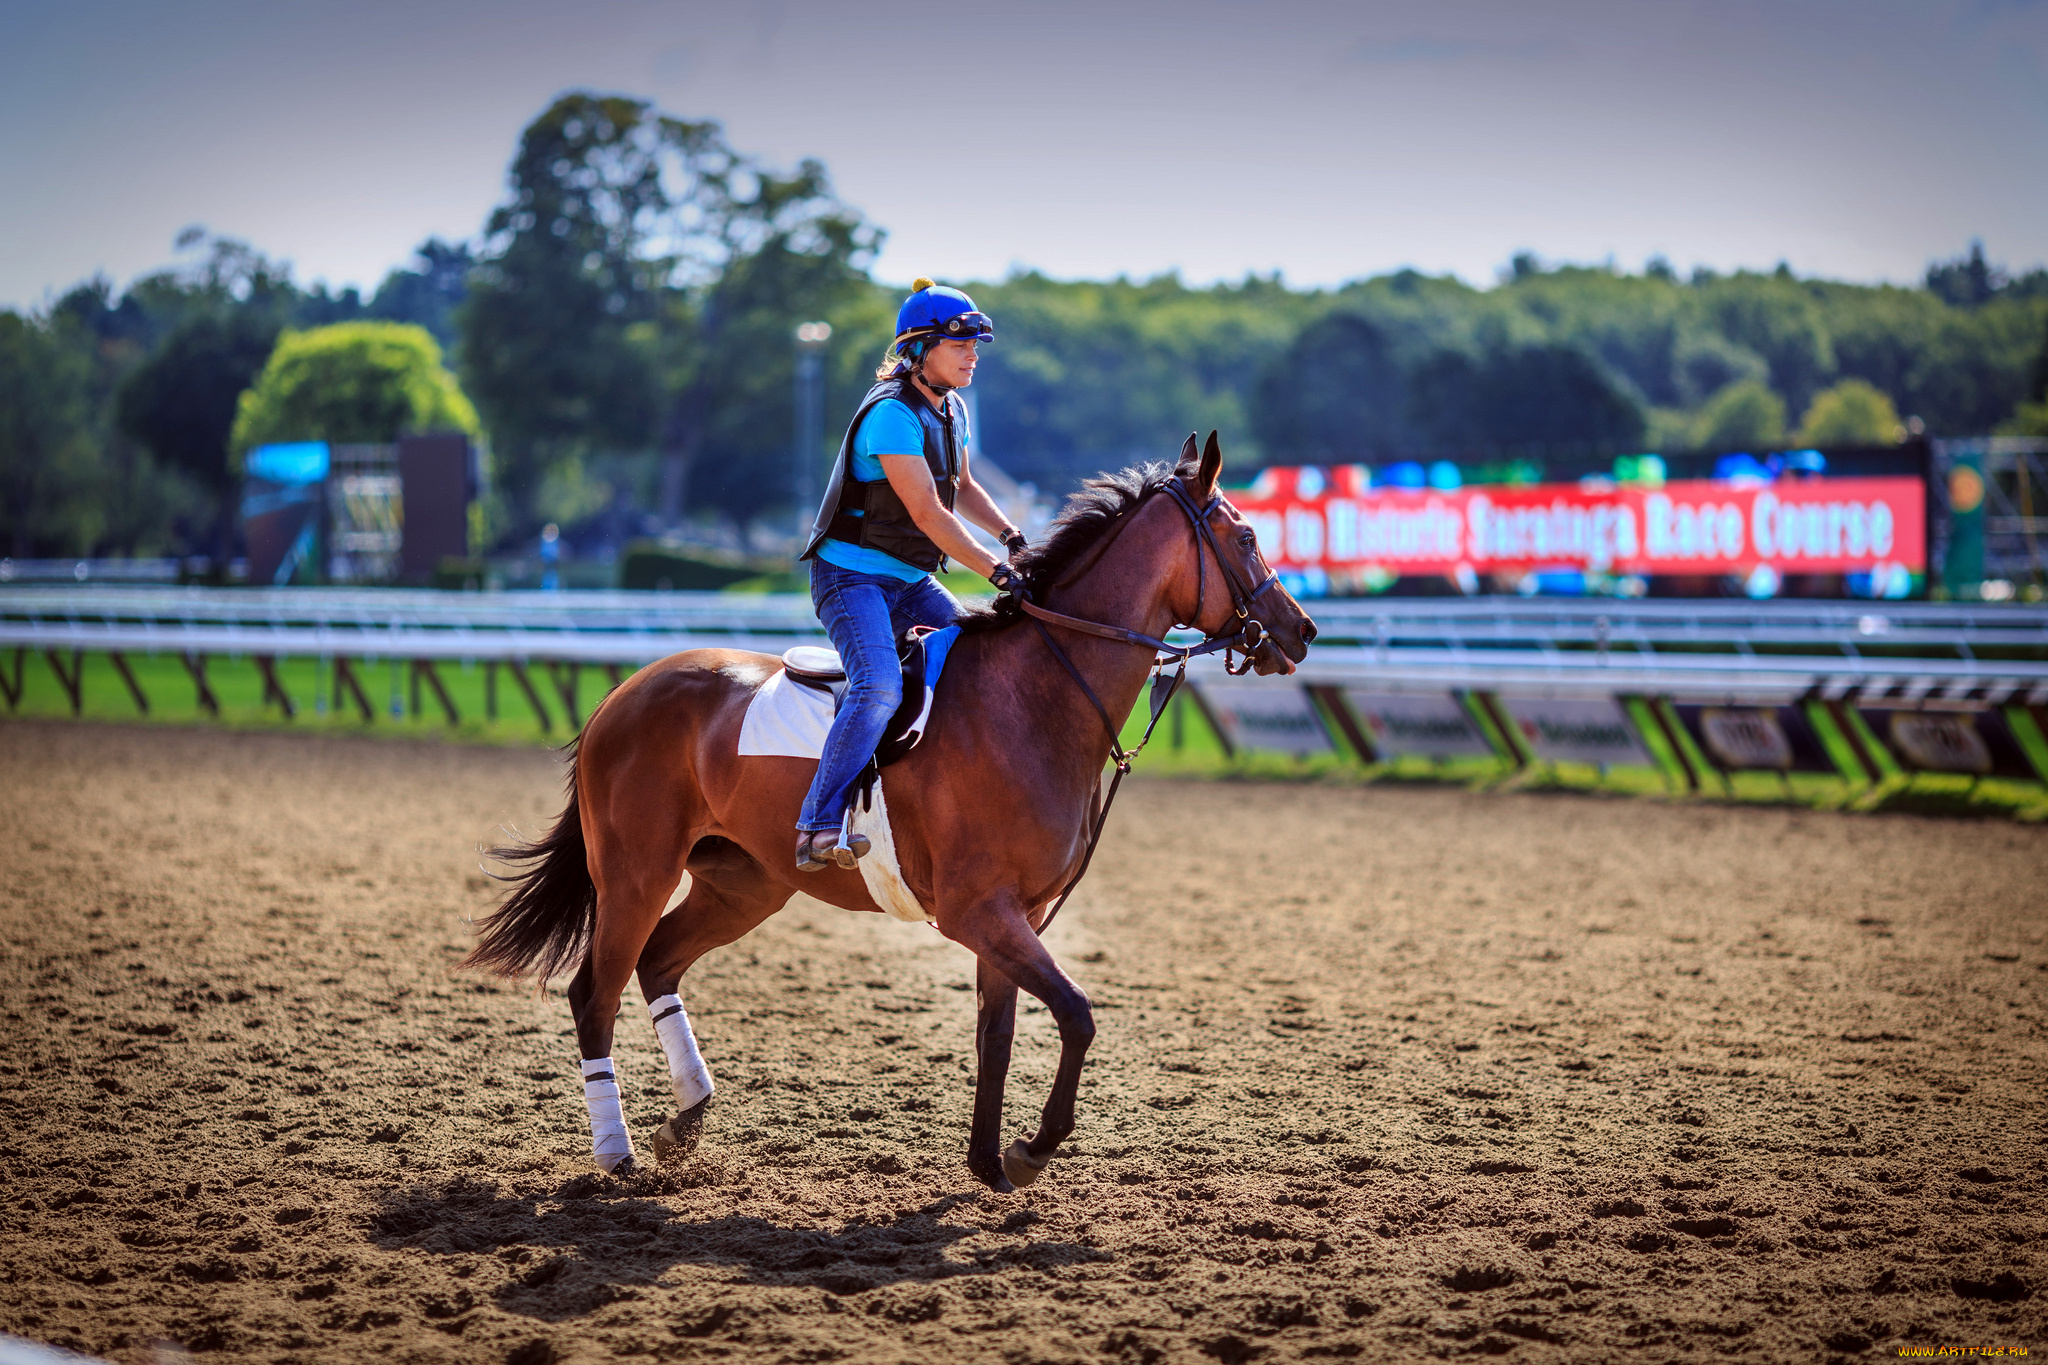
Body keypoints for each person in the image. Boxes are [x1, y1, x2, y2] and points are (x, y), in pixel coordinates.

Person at [793, 278, 1029, 871]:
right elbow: (929, 514)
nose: (974, 353)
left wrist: (1013, 539)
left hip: (909, 580)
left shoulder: (953, 409)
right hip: (851, 581)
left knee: (978, 666)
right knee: (878, 687)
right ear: (921, 349)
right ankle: (817, 823)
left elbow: (965, 488)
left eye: (977, 343)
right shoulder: (892, 416)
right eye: (961, 344)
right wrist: (997, 573)